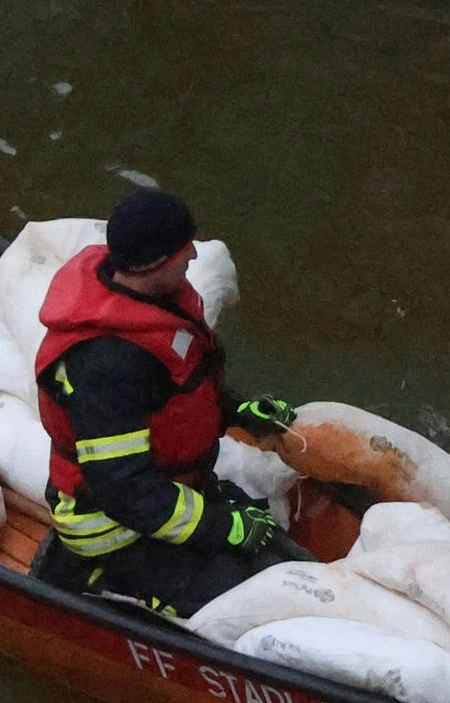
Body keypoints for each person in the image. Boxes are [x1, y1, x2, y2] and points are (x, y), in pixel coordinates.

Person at [31, 188, 307, 620]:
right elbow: (123, 489)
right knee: (261, 609)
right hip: (116, 530)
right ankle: (100, 578)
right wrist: (222, 529)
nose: (194, 255)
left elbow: (173, 395)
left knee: (292, 568)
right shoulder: (107, 365)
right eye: (183, 249)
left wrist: (236, 412)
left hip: (174, 492)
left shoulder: (155, 304)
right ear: (152, 263)